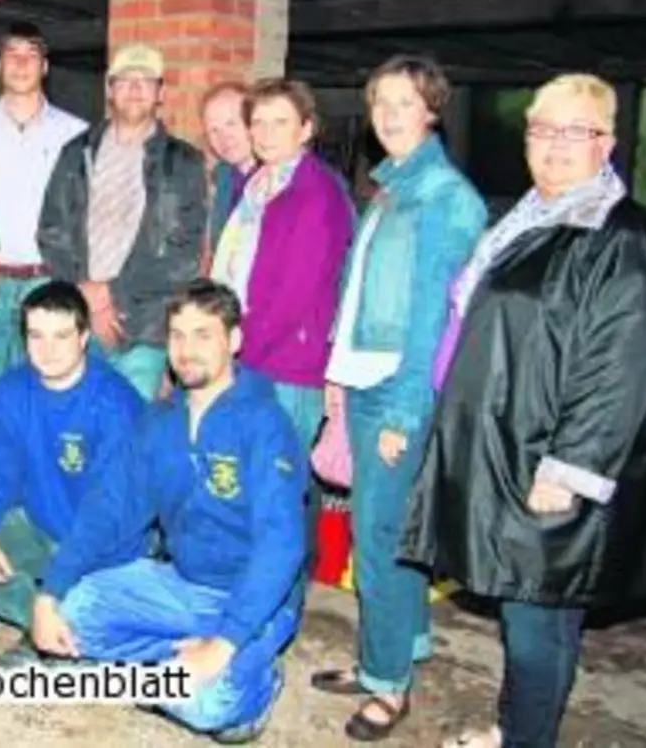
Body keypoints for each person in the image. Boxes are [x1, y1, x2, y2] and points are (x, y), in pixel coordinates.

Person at [405, 74, 646, 748]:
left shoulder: (618, 236)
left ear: (606, 143)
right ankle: (514, 728)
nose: (554, 145)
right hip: (507, 443)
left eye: (574, 131)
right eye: (541, 129)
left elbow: (625, 365)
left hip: (550, 461)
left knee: (539, 621)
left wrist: (571, 467)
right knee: (521, 606)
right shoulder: (535, 214)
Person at [32, 279, 306, 743]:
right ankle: (180, 665)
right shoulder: (159, 422)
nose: (187, 349)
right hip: (183, 585)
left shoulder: (264, 424)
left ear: (234, 341)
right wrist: (49, 594)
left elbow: (283, 543)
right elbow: (108, 509)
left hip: (254, 599)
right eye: (178, 335)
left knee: (203, 704)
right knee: (74, 615)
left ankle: (256, 682)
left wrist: (225, 643)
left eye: (204, 334)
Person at [310, 55, 488, 741]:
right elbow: (361, 295)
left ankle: (388, 684)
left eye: (404, 102)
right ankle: (395, 651)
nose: (387, 114)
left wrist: (407, 411)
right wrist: (337, 366)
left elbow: (432, 319)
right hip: (364, 379)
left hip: (396, 390)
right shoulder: (390, 189)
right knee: (384, 534)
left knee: (379, 538)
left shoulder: (445, 197)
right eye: (379, 101)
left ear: (432, 109)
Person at [210, 78, 354, 580]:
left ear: (306, 129)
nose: (266, 132)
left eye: (281, 122)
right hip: (252, 351)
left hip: (288, 364)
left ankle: (280, 598)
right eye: (259, 122)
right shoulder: (256, 186)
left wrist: (229, 349)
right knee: (257, 481)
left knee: (278, 489)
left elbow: (295, 296)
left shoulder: (315, 194)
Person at [0, 280, 146, 664]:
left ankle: (66, 630)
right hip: (42, 528)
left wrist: (54, 590)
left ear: (83, 337)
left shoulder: (115, 403)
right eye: (36, 336)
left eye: (61, 336)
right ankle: (45, 628)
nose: (47, 350)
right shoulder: (11, 390)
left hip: (103, 549)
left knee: (93, 622)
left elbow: (108, 514)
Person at [37, 43, 207, 400]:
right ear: (109, 89)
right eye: (124, 80)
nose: (134, 89)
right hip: (78, 323)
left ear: (161, 92)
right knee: (75, 431)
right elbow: (51, 231)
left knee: (130, 435)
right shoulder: (76, 153)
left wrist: (110, 293)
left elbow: (184, 255)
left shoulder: (184, 163)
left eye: (145, 81)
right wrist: (86, 295)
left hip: (144, 328)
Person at [0, 21, 89, 377]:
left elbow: (83, 214)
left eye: (31, 55)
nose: (21, 63)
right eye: (11, 54)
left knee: (43, 384)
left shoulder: (75, 133)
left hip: (49, 279)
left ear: (45, 67)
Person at [200, 81, 258, 271]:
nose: (224, 137)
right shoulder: (222, 177)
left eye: (231, 123)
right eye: (213, 130)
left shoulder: (285, 178)